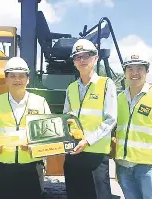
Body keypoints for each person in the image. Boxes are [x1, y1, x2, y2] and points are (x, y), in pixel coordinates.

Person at [0, 57, 51, 199]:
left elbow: (48, 134)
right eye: (12, 76)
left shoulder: (40, 102)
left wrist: (34, 146)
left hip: (32, 166)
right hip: (4, 168)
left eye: (21, 76)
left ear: (27, 79)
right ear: (6, 79)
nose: (17, 80)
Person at [63, 38, 117, 199]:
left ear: (96, 58)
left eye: (86, 56)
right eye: (77, 57)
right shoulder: (71, 88)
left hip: (96, 155)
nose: (81, 60)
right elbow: (66, 118)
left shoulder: (107, 84)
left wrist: (87, 141)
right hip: (73, 154)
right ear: (74, 62)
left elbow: (110, 119)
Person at [115, 54, 152, 199]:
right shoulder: (119, 98)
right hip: (123, 166)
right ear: (125, 72)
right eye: (130, 69)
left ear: (146, 72)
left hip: (148, 167)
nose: (134, 73)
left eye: (139, 68)